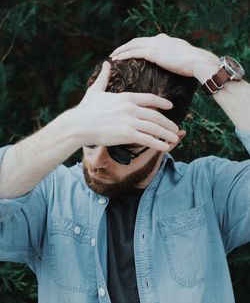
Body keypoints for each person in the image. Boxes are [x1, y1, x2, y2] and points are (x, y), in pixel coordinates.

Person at [0, 33, 249, 303]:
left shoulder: (209, 191)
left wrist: (203, 64)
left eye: (121, 151)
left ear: (169, 141)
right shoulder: (50, 195)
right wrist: (71, 126)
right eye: (91, 140)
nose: (96, 162)